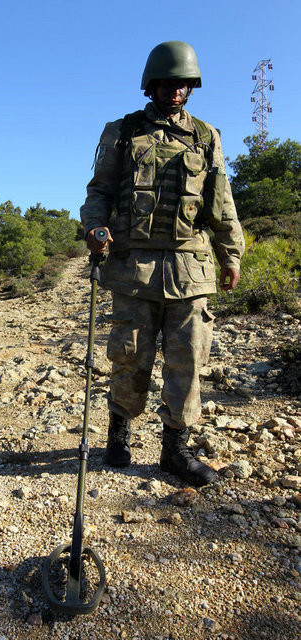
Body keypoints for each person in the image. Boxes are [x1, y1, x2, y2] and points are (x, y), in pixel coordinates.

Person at [80, 41, 245, 487]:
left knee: (188, 360)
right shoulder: (122, 130)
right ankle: (119, 434)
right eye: (167, 82)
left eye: (182, 83)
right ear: (151, 85)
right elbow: (99, 192)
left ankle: (175, 450)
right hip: (133, 267)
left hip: (190, 269)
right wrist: (95, 227)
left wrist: (232, 253)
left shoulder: (207, 136)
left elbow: (221, 203)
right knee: (129, 356)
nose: (175, 90)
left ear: (191, 87)